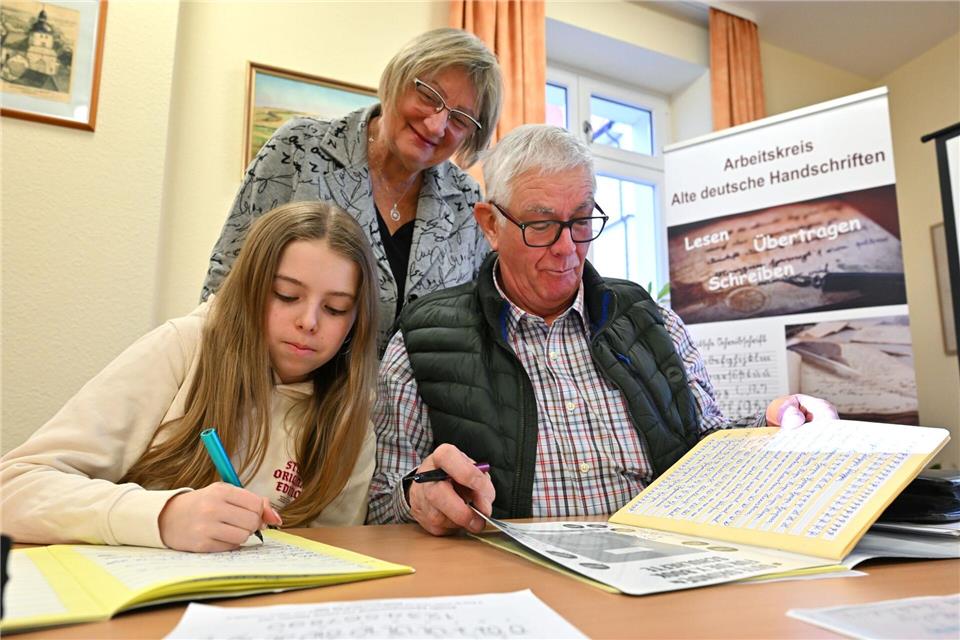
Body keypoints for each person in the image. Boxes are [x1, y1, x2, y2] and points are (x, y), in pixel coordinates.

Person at [367, 125, 838, 536]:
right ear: (491, 224)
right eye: (542, 224)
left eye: (581, 221)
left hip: (659, 573)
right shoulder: (422, 341)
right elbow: (381, 503)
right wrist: (417, 497)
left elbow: (705, 448)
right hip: (514, 584)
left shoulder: (651, 322)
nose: (567, 249)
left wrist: (772, 425)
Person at [1, 201, 380, 551]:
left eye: (335, 308)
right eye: (285, 295)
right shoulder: (184, 347)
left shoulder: (350, 413)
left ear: (356, 321)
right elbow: (14, 489)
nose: (308, 322)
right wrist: (164, 516)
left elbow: (336, 549)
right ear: (250, 287)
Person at [202, 28, 502, 354]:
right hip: (281, 394)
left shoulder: (466, 201)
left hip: (412, 404)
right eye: (430, 95)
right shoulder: (300, 149)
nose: (436, 125)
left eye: (460, 119)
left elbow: (475, 328)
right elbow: (226, 281)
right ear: (397, 79)